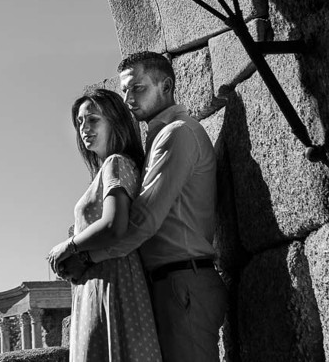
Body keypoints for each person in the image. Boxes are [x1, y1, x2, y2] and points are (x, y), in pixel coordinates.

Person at [60, 51, 227, 362]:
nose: (128, 99)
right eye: (125, 90)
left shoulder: (177, 134)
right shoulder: (158, 139)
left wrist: (85, 255)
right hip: (171, 283)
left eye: (138, 88)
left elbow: (143, 220)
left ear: (166, 86)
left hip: (183, 281)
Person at [46, 88, 161, 362]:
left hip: (113, 284)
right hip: (102, 284)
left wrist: (69, 247)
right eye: (80, 122)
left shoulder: (116, 163)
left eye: (93, 120)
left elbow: (114, 225)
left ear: (115, 122)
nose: (84, 128)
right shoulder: (108, 169)